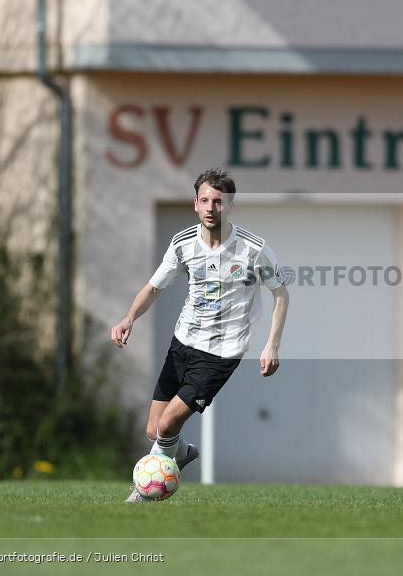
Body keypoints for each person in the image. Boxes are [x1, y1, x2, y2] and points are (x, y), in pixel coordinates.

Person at [111, 168, 289, 502]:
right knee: (155, 429)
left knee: (166, 428)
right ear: (195, 204)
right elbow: (153, 288)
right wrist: (128, 318)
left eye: (218, 202)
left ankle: (143, 492)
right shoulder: (182, 244)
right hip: (182, 344)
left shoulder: (253, 249)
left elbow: (281, 293)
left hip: (222, 353)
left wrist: (272, 343)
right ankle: (183, 453)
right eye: (204, 200)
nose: (211, 207)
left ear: (230, 206)